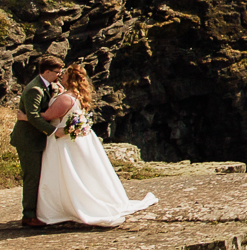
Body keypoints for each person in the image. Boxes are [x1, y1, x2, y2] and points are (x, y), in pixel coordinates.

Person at [35, 64, 157, 227]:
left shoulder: (65, 98)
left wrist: (26, 116)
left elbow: (47, 116)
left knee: (66, 173)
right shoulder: (77, 96)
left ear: (70, 79)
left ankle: (67, 207)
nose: (60, 77)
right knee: (82, 173)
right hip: (76, 140)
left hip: (63, 142)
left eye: (63, 76)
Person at [12, 56, 65, 228]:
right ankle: (28, 216)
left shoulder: (48, 85)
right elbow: (33, 116)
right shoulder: (34, 89)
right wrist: (54, 132)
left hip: (37, 139)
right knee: (32, 177)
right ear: (47, 71)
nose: (59, 75)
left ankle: (38, 211)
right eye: (56, 72)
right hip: (28, 140)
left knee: (39, 176)